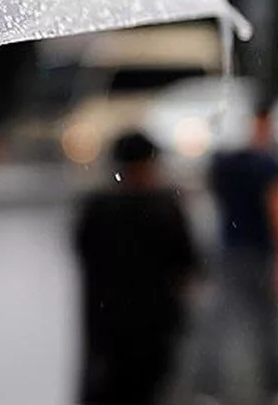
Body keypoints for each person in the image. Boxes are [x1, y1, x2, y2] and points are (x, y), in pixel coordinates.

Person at [195, 102, 278, 404]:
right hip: (260, 253)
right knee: (268, 324)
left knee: (222, 321)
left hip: (231, 251)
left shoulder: (226, 163)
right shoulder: (267, 166)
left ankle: (209, 389)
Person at [74, 131, 199, 405]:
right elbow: (188, 266)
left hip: (106, 332)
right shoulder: (163, 208)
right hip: (151, 332)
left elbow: (82, 253)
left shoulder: (97, 208)